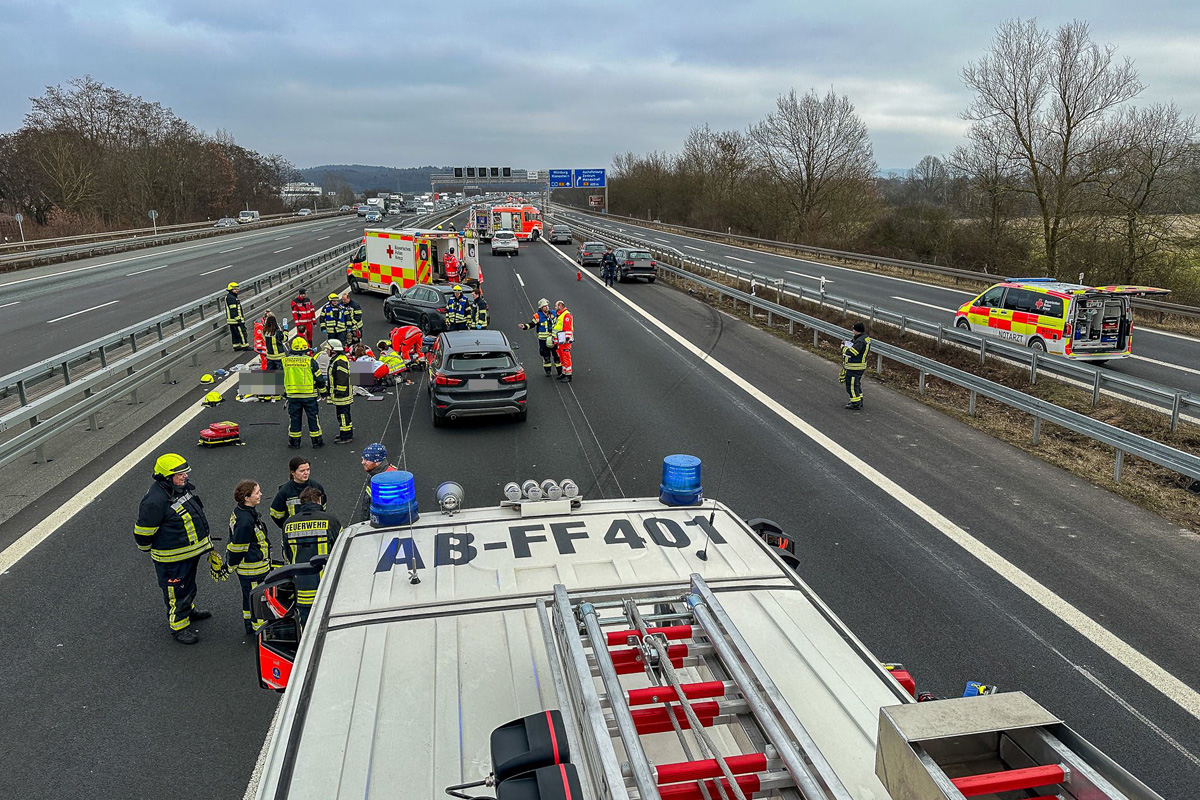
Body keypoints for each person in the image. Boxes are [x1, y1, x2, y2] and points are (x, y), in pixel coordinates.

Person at [134, 454, 214, 645]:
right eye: (180, 474)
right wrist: (147, 548)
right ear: (167, 477)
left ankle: (188, 610)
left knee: (188, 586)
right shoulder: (155, 501)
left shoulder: (178, 489)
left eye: (185, 473)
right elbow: (143, 533)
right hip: (172, 559)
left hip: (188, 554)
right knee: (176, 592)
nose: (185, 476)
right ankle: (179, 627)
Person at [281, 487, 342, 623]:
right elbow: (342, 549)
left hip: (301, 586)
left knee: (306, 625)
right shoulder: (330, 520)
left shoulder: (288, 524)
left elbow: (286, 554)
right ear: (319, 500)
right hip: (327, 584)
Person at [226, 480, 271, 634]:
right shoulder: (245, 520)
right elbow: (239, 547)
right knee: (257, 599)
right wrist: (230, 565)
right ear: (246, 497)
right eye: (257, 493)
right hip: (253, 568)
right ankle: (260, 631)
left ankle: (249, 625)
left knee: (248, 597)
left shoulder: (242, 512)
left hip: (250, 567)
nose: (260, 495)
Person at [283, 337, 326, 448]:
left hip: (293, 396)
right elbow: (319, 379)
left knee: (294, 419)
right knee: (313, 418)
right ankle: (317, 441)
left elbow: (281, 378)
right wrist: (323, 393)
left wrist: (284, 393)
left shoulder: (285, 361)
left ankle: (294, 442)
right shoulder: (310, 361)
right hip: (309, 395)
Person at [270, 456, 328, 531]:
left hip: (314, 528)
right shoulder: (285, 491)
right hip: (294, 530)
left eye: (308, 469)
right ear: (293, 472)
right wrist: (287, 526)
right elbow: (276, 514)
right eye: (302, 471)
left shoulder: (317, 487)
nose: (306, 473)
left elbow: (322, 508)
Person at [517, 298, 558, 376]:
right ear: (541, 308)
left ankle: (559, 371)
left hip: (553, 338)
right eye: (544, 306)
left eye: (547, 306)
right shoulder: (537, 316)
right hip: (543, 339)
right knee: (546, 356)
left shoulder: (553, 313)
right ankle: (548, 371)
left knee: (556, 355)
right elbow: (532, 324)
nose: (546, 307)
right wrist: (524, 326)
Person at [359, 443, 397, 521]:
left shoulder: (387, 480)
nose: (362, 462)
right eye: (363, 459)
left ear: (377, 462)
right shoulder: (375, 473)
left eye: (366, 459)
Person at [327, 339, 353, 443]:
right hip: (342, 394)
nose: (326, 351)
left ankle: (346, 436)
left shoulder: (340, 362)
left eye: (328, 349)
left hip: (342, 395)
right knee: (343, 415)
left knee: (343, 416)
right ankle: (345, 433)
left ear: (333, 350)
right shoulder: (337, 359)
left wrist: (338, 392)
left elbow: (342, 379)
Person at [841, 321, 871, 410]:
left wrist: (843, 348)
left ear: (857, 330)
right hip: (860, 366)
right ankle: (859, 400)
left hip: (854, 367)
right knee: (856, 384)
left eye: (853, 330)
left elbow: (852, 352)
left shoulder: (860, 341)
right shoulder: (864, 338)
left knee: (851, 385)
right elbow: (855, 343)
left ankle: (855, 403)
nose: (853, 331)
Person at [225, 282, 250, 351]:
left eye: (237, 289)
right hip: (236, 320)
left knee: (235, 334)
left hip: (232, 321)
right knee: (242, 333)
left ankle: (236, 346)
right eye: (235, 289)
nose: (237, 290)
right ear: (231, 290)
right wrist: (239, 320)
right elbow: (233, 310)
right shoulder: (231, 298)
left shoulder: (229, 297)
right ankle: (245, 346)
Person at [553, 300, 574, 383]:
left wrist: (567, 339)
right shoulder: (560, 314)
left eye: (556, 306)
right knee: (562, 357)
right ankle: (564, 373)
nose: (555, 307)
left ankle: (568, 375)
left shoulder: (566, 315)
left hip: (565, 341)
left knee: (566, 357)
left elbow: (568, 328)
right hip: (560, 340)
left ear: (560, 306)